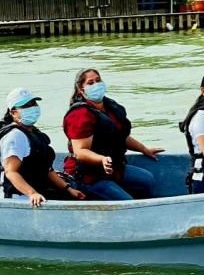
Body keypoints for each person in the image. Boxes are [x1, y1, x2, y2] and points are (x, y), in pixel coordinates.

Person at [62, 68, 163, 200]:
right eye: (90, 83)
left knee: (147, 180)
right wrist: (102, 159)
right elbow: (80, 151)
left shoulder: (109, 107)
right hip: (89, 177)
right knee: (127, 203)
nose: (96, 85)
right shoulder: (80, 114)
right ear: (81, 90)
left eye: (98, 81)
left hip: (114, 169)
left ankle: (148, 211)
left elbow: (120, 137)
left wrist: (144, 149)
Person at [0, 87, 85, 206]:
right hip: (17, 197)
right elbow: (11, 172)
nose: (32, 107)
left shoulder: (33, 133)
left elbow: (47, 169)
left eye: (33, 103)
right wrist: (32, 193)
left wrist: (68, 189)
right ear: (13, 112)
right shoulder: (15, 136)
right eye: (26, 106)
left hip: (37, 192)